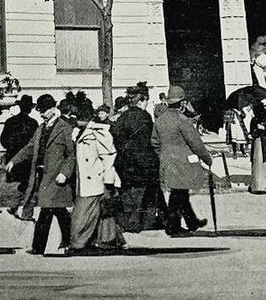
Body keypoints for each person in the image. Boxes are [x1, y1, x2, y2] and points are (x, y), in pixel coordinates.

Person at [21, 94, 76, 254]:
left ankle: (40, 247)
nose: (42, 113)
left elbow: (71, 155)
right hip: (43, 176)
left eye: (44, 110)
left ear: (53, 109)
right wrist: (14, 161)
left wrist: (65, 173)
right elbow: (30, 147)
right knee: (57, 211)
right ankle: (70, 243)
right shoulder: (41, 128)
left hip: (57, 177)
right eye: (40, 110)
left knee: (48, 210)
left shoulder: (64, 127)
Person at [151, 85, 209, 235]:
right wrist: (206, 158)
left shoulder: (160, 120)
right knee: (178, 194)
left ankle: (192, 221)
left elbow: (155, 142)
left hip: (167, 161)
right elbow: (195, 143)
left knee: (180, 192)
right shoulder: (183, 120)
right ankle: (173, 226)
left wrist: (162, 155)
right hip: (182, 162)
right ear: (182, 102)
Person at [69, 99, 124, 253]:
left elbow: (108, 156)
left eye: (77, 118)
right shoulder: (79, 132)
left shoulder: (99, 132)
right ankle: (109, 240)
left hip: (96, 178)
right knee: (102, 213)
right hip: (87, 178)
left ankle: (78, 243)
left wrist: (108, 180)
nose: (75, 121)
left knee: (83, 214)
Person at [112, 85, 162, 232]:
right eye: (146, 100)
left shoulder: (122, 118)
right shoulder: (145, 117)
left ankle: (127, 223)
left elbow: (116, 137)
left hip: (125, 162)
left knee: (128, 193)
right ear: (141, 101)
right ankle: (143, 223)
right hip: (144, 162)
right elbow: (150, 141)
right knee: (145, 194)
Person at [0, 96, 39, 216]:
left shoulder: (10, 121)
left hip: (13, 160)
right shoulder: (33, 123)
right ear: (30, 109)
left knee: (25, 184)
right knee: (30, 186)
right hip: (27, 161)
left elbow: (3, 140)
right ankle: (25, 212)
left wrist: (11, 151)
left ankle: (14, 206)